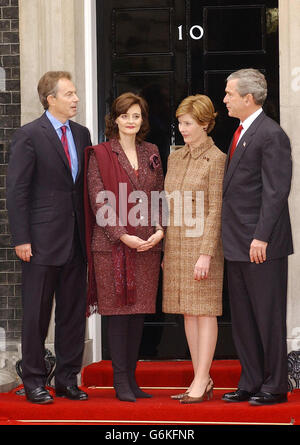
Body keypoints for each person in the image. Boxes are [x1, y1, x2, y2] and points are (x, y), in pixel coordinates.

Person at [6, 71, 92, 404]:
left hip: (76, 241)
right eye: (69, 94)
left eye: (75, 93)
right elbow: (17, 191)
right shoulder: (29, 135)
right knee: (36, 315)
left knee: (72, 315)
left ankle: (68, 380)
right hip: (40, 243)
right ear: (50, 98)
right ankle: (34, 381)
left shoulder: (82, 134)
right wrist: (21, 238)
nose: (75, 99)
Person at [85, 92, 164, 402]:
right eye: (126, 116)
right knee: (119, 314)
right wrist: (122, 235)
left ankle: (132, 380)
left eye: (137, 116)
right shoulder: (100, 153)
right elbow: (98, 199)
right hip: (112, 247)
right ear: (114, 119)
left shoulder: (152, 152)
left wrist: (160, 230)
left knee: (138, 314)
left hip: (146, 245)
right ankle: (120, 382)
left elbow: (159, 194)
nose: (132, 121)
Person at [221, 68, 293, 406]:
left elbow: (276, 192)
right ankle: (250, 380)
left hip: (261, 245)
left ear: (248, 98)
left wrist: (261, 236)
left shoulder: (271, 134)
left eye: (229, 94)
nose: (225, 99)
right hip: (236, 243)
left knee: (267, 316)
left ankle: (275, 385)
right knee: (244, 319)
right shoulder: (239, 132)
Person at [162, 94, 226, 404]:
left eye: (188, 123)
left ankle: (202, 379)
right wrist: (165, 251)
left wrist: (206, 253)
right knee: (188, 312)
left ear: (204, 123)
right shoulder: (175, 157)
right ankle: (201, 376)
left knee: (204, 311)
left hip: (203, 246)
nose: (182, 129)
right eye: (180, 123)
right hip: (176, 245)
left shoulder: (217, 158)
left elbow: (216, 209)